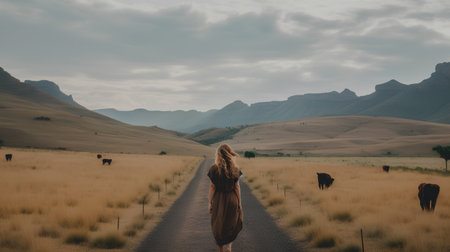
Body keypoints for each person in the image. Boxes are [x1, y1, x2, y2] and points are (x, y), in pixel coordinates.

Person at [208, 144, 243, 252]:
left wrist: (210, 202)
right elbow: (237, 187)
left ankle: (221, 249)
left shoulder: (213, 169)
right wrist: (239, 202)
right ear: (229, 154)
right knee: (231, 223)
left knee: (219, 224)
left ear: (218, 154)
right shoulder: (235, 169)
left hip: (218, 200)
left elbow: (212, 187)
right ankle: (229, 246)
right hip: (232, 198)